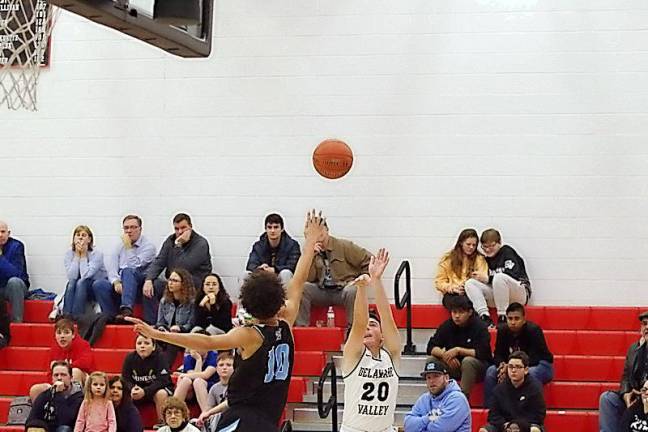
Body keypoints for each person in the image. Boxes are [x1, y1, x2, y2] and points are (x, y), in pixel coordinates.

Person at [127, 210, 326, 432]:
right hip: (269, 418)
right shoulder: (287, 320)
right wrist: (309, 243)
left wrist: (157, 334)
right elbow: (298, 281)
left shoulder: (251, 335)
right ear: (278, 298)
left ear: (249, 303)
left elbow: (205, 343)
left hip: (242, 418)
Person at [341, 248, 400, 431]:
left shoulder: (392, 355)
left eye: (373, 325)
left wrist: (377, 280)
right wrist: (361, 289)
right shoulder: (353, 355)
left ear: (382, 336)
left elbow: (387, 317)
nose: (368, 326)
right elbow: (359, 323)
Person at [296, 219, 372, 327]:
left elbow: (370, 260)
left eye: (320, 230)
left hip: (343, 289)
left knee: (353, 290)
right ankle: (302, 328)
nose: (318, 234)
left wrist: (363, 277)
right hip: (322, 290)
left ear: (327, 230)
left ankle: (353, 329)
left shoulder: (343, 246)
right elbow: (307, 278)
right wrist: (311, 256)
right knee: (303, 288)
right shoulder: (309, 251)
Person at [143, 213, 212, 325]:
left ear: (190, 227)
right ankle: (152, 324)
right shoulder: (170, 241)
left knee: (180, 282)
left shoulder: (201, 243)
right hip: (174, 282)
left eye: (183, 228)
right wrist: (148, 279)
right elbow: (159, 261)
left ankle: (183, 325)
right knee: (152, 286)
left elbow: (184, 268)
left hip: (194, 282)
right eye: (176, 229)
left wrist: (179, 245)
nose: (180, 232)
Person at [484, 303, 553, 407]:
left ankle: (534, 409)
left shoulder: (533, 330)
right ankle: (491, 408)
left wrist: (512, 366)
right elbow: (498, 354)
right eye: (510, 319)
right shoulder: (502, 330)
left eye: (517, 319)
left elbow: (535, 357)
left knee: (531, 373)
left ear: (524, 319)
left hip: (541, 365)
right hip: (512, 365)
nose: (513, 322)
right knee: (491, 371)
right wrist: (502, 364)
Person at [91, 215, 156, 320]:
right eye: (126, 228)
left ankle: (127, 309)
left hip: (138, 284)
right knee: (99, 284)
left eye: (133, 227)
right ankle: (111, 317)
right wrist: (116, 281)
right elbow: (111, 268)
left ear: (140, 229)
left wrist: (128, 247)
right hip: (121, 284)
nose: (129, 231)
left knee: (128, 271)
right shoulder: (119, 246)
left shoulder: (149, 247)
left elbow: (134, 266)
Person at [426, 295, 492, 397]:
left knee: (468, 361)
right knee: (432, 360)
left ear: (470, 312)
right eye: (454, 312)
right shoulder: (447, 325)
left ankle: (462, 399)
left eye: (461, 312)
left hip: (477, 367)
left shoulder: (480, 326)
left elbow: (483, 353)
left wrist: (459, 350)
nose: (457, 316)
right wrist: (444, 355)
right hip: (453, 365)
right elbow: (431, 346)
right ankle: (435, 396)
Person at [465, 229, 531, 326]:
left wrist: (488, 278)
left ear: (499, 243)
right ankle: (484, 317)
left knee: (499, 277)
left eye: (492, 246)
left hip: (518, 293)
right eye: (485, 247)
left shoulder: (507, 252)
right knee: (470, 283)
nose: (488, 249)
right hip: (498, 296)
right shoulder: (484, 259)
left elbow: (513, 274)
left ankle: (503, 317)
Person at [599, 310, 648, 432]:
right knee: (607, 399)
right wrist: (626, 394)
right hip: (636, 396)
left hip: (646, 396)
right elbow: (626, 377)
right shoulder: (634, 349)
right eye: (644, 324)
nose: (647, 327)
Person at [30, 317, 95, 401]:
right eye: (59, 333)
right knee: (35, 389)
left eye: (66, 333)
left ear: (73, 335)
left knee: (75, 371)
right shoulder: (53, 350)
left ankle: (75, 405)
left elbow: (86, 363)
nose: (62, 336)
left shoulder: (83, 345)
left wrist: (64, 367)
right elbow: (50, 374)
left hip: (85, 382)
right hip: (59, 382)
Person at [479, 351, 545, 432]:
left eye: (518, 367)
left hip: (526, 426)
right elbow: (493, 415)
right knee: (484, 430)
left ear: (526, 370)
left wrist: (518, 425)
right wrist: (505, 425)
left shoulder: (535, 388)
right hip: (505, 426)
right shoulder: (499, 389)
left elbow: (538, 415)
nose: (513, 370)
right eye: (510, 367)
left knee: (535, 430)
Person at [403, 358, 471, 432]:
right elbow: (408, 426)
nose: (432, 381)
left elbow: (439, 429)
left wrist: (419, 427)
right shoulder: (424, 399)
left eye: (436, 376)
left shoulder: (457, 399)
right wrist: (428, 418)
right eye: (428, 377)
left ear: (446, 378)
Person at [121, 334, 173, 428]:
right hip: (137, 391)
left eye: (146, 343)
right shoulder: (129, 358)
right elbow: (125, 379)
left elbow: (162, 380)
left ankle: (163, 423)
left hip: (155, 390)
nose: (142, 346)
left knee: (161, 393)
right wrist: (132, 389)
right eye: (139, 343)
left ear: (153, 347)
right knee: (120, 393)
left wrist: (145, 391)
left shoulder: (160, 357)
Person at [435, 229, 488, 318]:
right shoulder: (448, 259)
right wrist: (453, 288)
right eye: (468, 244)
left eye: (474, 245)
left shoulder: (479, 259)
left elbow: (483, 278)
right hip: (452, 294)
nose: (471, 247)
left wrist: (469, 284)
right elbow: (439, 282)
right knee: (456, 301)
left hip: (470, 293)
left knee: (467, 301)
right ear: (461, 243)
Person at [63, 225, 109, 319]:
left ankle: (77, 315)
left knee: (81, 281)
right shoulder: (69, 254)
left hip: (94, 287)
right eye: (78, 235)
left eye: (84, 235)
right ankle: (66, 315)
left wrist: (83, 255)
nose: (80, 237)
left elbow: (85, 275)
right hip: (78, 287)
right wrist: (76, 255)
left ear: (89, 239)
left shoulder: (97, 254)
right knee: (71, 282)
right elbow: (72, 276)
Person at [27, 361, 84, 432]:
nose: (59, 378)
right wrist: (40, 427)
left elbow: (66, 420)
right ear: (52, 378)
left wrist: (58, 394)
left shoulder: (79, 397)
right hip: (48, 429)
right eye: (56, 375)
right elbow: (32, 418)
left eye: (63, 375)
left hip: (68, 429)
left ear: (71, 378)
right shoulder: (45, 395)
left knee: (64, 429)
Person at [245, 213, 301, 286]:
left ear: (282, 229)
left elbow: (294, 266)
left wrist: (275, 270)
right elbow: (250, 265)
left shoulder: (292, 245)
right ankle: (244, 297)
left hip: (281, 277)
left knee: (286, 273)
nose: (272, 231)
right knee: (246, 275)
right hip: (263, 278)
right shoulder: (258, 245)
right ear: (265, 229)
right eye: (269, 227)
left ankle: (288, 298)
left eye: (276, 227)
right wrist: (260, 269)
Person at [156, 268, 196, 368]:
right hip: (167, 333)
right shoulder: (164, 301)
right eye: (170, 280)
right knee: (151, 335)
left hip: (184, 335)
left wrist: (180, 328)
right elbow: (160, 322)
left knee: (174, 337)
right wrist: (161, 328)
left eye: (175, 281)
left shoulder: (192, 302)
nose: (171, 283)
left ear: (183, 284)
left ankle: (165, 369)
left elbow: (191, 323)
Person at [173, 343, 218, 412]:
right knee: (186, 380)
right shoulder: (189, 358)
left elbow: (206, 375)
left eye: (198, 344)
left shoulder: (214, 356)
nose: (196, 348)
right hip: (192, 391)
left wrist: (182, 375)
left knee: (198, 381)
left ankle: (207, 414)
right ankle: (173, 409)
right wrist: (198, 360)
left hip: (209, 386)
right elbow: (193, 376)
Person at [0, 220, 30, 322]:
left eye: (3, 232)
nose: (0, 235)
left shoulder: (16, 246)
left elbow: (16, 274)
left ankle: (17, 324)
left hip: (16, 288)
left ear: (8, 233)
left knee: (14, 282)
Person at [197, 351, 234, 431]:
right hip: (219, 420)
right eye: (221, 365)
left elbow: (229, 403)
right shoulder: (214, 388)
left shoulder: (239, 385)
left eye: (229, 365)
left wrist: (210, 413)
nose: (224, 368)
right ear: (216, 369)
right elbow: (208, 408)